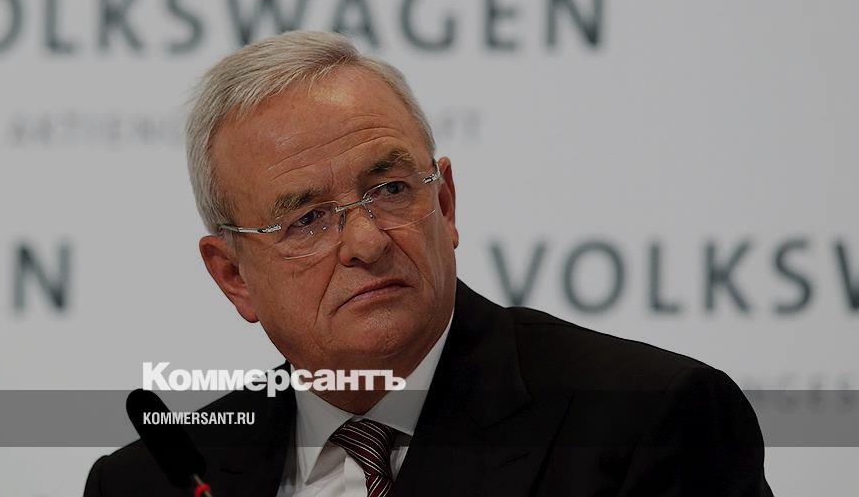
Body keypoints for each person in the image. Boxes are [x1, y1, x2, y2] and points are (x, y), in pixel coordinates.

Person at [84, 30, 772, 496]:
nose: (366, 242)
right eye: (307, 219)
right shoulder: (153, 483)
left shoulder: (648, 422)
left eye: (389, 189)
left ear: (443, 204)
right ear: (233, 276)